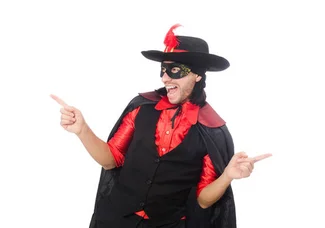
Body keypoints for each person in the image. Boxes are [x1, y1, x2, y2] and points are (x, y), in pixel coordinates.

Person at [51, 24, 271, 228]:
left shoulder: (212, 128)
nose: (165, 78)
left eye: (175, 70)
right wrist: (82, 130)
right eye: (163, 69)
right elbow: (111, 159)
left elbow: (204, 200)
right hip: (116, 218)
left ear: (197, 75)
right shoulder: (140, 108)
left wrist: (227, 176)